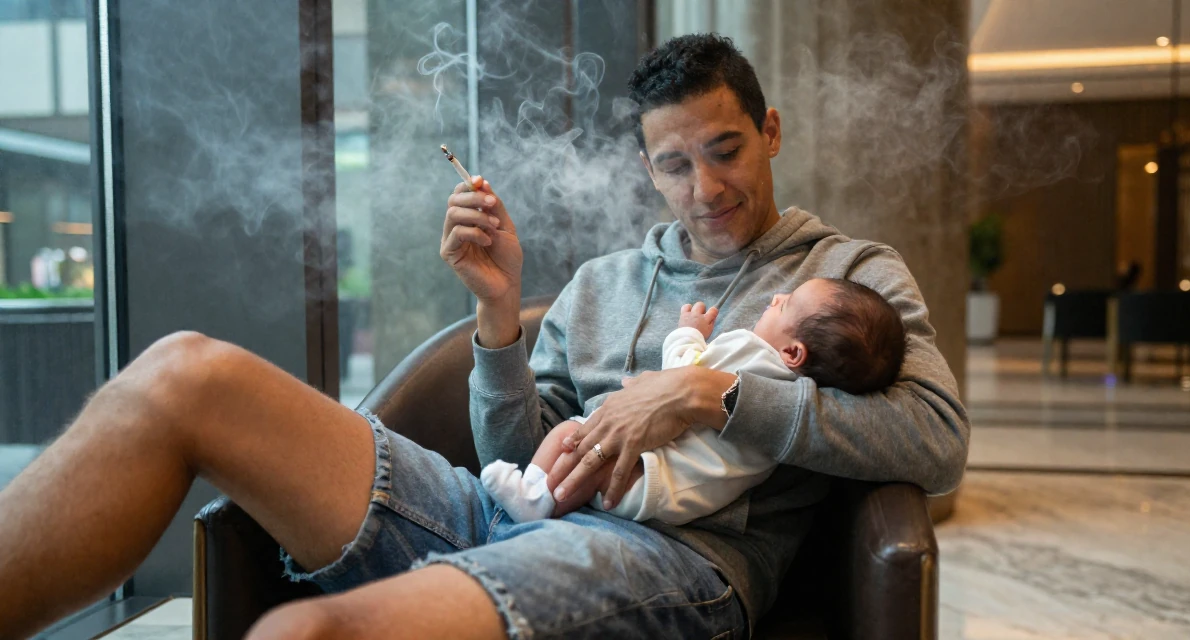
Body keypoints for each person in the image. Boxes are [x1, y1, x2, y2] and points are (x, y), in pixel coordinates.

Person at [0, 34, 968, 639]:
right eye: (675, 164)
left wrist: (711, 391)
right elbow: (513, 453)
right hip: (509, 507)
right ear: (647, 167)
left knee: (312, 632)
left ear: (771, 131)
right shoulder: (601, 284)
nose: (706, 189)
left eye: (727, 151)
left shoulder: (848, 274)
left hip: (673, 558)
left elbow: (934, 441)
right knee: (184, 372)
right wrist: (500, 317)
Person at [480, 278, 907, 525]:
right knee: (572, 438)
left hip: (655, 490)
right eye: (675, 163)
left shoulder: (754, 354)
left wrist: (687, 333)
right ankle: (534, 499)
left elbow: (681, 371)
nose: (776, 297)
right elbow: (512, 440)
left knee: (571, 436)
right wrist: (495, 307)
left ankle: (537, 496)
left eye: (787, 304)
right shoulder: (796, 384)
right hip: (673, 490)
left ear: (794, 353)